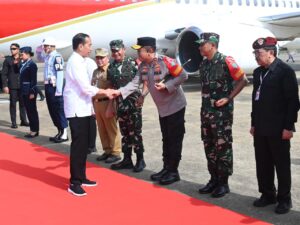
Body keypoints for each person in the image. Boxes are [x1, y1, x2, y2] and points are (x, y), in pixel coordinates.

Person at [250, 37, 300, 214]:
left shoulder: (284, 71)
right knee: (262, 163)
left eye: (259, 53)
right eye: (255, 52)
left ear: (271, 53)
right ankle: (267, 193)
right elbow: (255, 101)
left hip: (279, 128)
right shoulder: (258, 73)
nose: (256, 56)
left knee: (281, 164)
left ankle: (284, 199)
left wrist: (289, 127)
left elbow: (293, 102)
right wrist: (253, 123)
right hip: (261, 127)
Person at [64, 33, 116, 197]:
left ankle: (81, 176)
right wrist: (105, 92)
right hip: (76, 110)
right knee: (78, 146)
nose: (90, 48)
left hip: (84, 108)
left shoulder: (83, 61)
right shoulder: (74, 62)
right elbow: (86, 88)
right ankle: (74, 182)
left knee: (85, 145)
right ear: (80, 46)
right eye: (89, 45)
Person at [196, 33, 248, 198]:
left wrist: (229, 97)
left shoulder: (226, 61)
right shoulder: (203, 64)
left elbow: (243, 80)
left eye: (202, 44)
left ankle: (224, 183)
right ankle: (213, 179)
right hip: (206, 112)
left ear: (212, 45)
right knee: (208, 145)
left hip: (221, 115)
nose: (199, 47)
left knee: (222, 147)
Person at [131, 37, 188, 185]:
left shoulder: (166, 62)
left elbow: (183, 75)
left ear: (149, 51)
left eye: (140, 50)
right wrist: (142, 95)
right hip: (162, 109)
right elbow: (142, 82)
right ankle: (166, 168)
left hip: (175, 106)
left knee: (174, 139)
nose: (137, 52)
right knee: (166, 138)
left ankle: (173, 172)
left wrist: (167, 85)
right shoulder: (143, 65)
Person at [107, 39, 146, 173]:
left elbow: (144, 80)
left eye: (118, 50)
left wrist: (143, 96)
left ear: (123, 50)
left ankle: (140, 159)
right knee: (124, 133)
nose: (116, 53)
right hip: (120, 104)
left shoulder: (133, 63)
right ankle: (127, 159)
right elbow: (112, 86)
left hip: (133, 103)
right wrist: (112, 105)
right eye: (113, 51)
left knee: (135, 132)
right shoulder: (111, 67)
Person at [91, 48, 122, 163]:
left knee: (111, 128)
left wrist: (111, 106)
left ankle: (115, 152)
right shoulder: (96, 71)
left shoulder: (111, 70)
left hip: (107, 102)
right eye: (97, 58)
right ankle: (107, 150)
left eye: (102, 57)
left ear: (107, 58)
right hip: (97, 103)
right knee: (102, 128)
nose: (99, 60)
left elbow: (114, 89)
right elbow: (93, 88)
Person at [39, 37, 68, 143]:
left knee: (59, 109)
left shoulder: (57, 57)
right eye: (44, 46)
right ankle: (59, 131)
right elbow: (39, 53)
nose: (44, 48)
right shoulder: (48, 57)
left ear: (51, 46)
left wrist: (59, 90)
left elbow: (60, 74)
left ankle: (64, 133)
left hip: (55, 87)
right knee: (52, 110)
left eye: (46, 46)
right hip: (48, 86)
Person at [1, 43, 29, 128]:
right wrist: (5, 86)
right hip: (12, 86)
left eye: (14, 49)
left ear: (18, 49)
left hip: (22, 85)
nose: (12, 50)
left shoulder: (23, 58)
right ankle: (13, 122)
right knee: (13, 104)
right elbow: (3, 74)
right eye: (11, 49)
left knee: (23, 104)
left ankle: (23, 121)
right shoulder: (8, 60)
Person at [19, 46, 40, 138]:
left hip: (29, 91)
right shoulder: (24, 63)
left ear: (27, 54)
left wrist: (32, 92)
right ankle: (32, 129)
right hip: (24, 90)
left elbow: (33, 80)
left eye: (22, 54)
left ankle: (35, 130)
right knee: (28, 111)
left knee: (32, 111)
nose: (20, 56)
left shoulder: (32, 65)